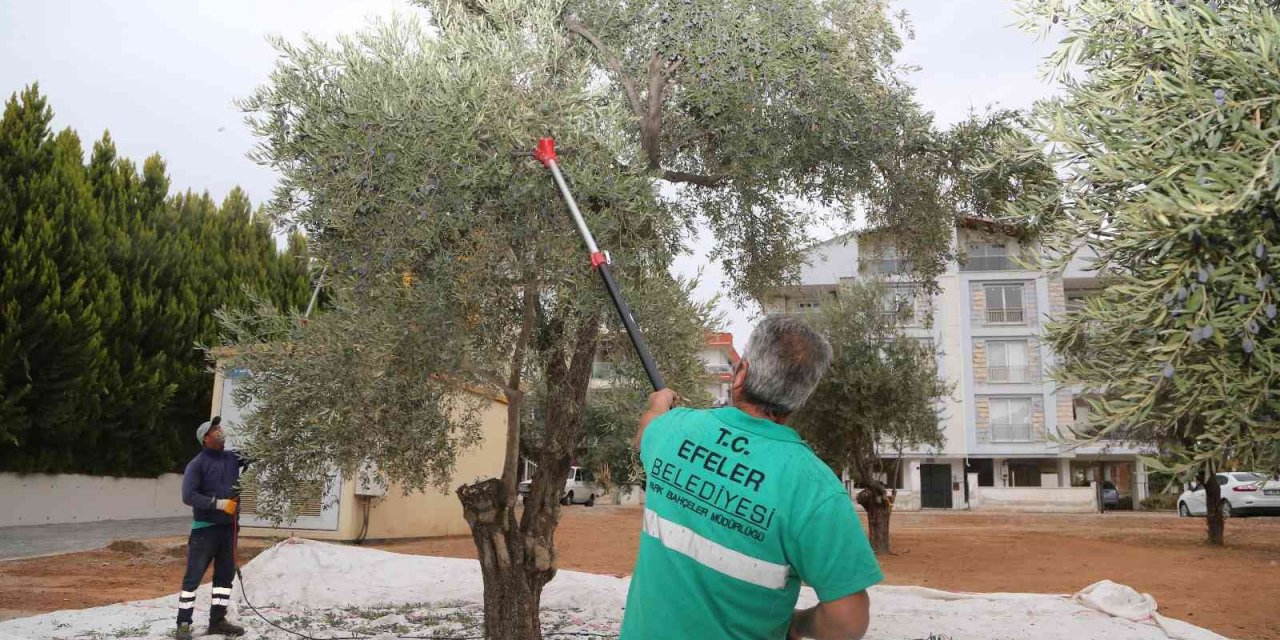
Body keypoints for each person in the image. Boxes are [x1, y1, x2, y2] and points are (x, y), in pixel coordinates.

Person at [620, 315, 882, 640]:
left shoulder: (674, 430)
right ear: (800, 397)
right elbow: (848, 620)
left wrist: (659, 405)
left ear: (740, 372)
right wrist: (798, 624)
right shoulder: (816, 489)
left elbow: (646, 430)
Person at [175, 416, 246, 639]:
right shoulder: (197, 464)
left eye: (219, 427)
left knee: (225, 579)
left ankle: (217, 621)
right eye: (214, 429)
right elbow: (188, 496)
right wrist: (218, 503)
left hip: (228, 530)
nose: (219, 430)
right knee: (193, 578)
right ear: (205, 438)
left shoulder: (233, 458)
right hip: (205, 530)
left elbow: (259, 453)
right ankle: (183, 624)